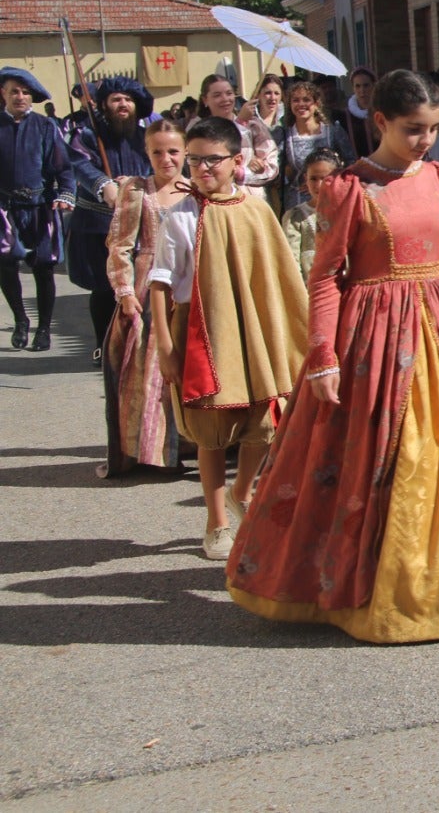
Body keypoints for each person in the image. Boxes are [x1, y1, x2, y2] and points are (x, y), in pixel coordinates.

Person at [227, 70, 439, 643]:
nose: (425, 140)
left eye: (434, 129)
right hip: (375, 337)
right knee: (389, 458)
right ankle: (380, 588)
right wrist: (322, 354)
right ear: (381, 122)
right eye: (415, 129)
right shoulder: (348, 189)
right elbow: (326, 278)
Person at [149, 117, 307, 560]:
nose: (201, 169)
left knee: (264, 424)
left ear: (237, 161)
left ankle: (243, 491)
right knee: (212, 432)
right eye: (193, 159)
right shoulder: (181, 215)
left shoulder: (256, 208)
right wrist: (165, 346)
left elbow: (277, 276)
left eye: (211, 160)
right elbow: (160, 283)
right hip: (203, 332)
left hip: (253, 331)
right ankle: (216, 522)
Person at [100, 118, 189, 477]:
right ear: (147, 153)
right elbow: (119, 244)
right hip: (149, 279)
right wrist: (124, 292)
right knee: (150, 370)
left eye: (173, 151)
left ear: (185, 152)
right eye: (157, 152)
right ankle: (155, 451)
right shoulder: (138, 191)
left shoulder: (196, 188)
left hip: (189, 280)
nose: (166, 159)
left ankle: (198, 441)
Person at [66, 77, 155, 358]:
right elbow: (79, 163)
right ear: (104, 104)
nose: (122, 104)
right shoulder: (89, 134)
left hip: (137, 224)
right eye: (116, 99)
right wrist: (105, 185)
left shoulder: (145, 138)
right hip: (99, 224)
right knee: (105, 289)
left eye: (128, 100)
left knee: (137, 287)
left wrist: (137, 181)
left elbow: (160, 169)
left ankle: (133, 344)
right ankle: (103, 345)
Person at [0, 67, 74, 351]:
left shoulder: (45, 127)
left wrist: (66, 192)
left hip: (41, 205)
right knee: (6, 264)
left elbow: (63, 167)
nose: (20, 97)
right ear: (3, 94)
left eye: (26, 92)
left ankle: (44, 329)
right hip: (5, 208)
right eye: (15, 91)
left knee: (44, 267)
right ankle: (20, 319)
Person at [277, 80, 355, 213]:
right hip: (298, 204)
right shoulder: (284, 135)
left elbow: (351, 163)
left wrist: (332, 181)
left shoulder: (333, 131)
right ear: (289, 105)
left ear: (316, 103)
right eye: (296, 100)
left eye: (306, 99)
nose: (301, 104)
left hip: (330, 200)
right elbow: (278, 172)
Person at [195, 74, 279, 196]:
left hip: (251, 199)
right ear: (205, 100)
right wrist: (239, 124)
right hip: (216, 198)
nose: (225, 99)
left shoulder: (253, 124)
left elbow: (271, 168)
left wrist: (246, 173)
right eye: (217, 95)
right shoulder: (199, 130)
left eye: (229, 93)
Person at [280, 148, 342, 283]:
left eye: (325, 179)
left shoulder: (346, 212)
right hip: (311, 287)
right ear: (305, 179)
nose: (319, 185)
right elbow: (291, 259)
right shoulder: (295, 217)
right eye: (313, 179)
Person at [341, 67, 377, 159]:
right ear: (353, 88)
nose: (362, 90)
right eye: (357, 86)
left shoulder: (384, 112)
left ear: (374, 85)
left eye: (366, 85)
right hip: (357, 168)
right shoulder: (344, 117)